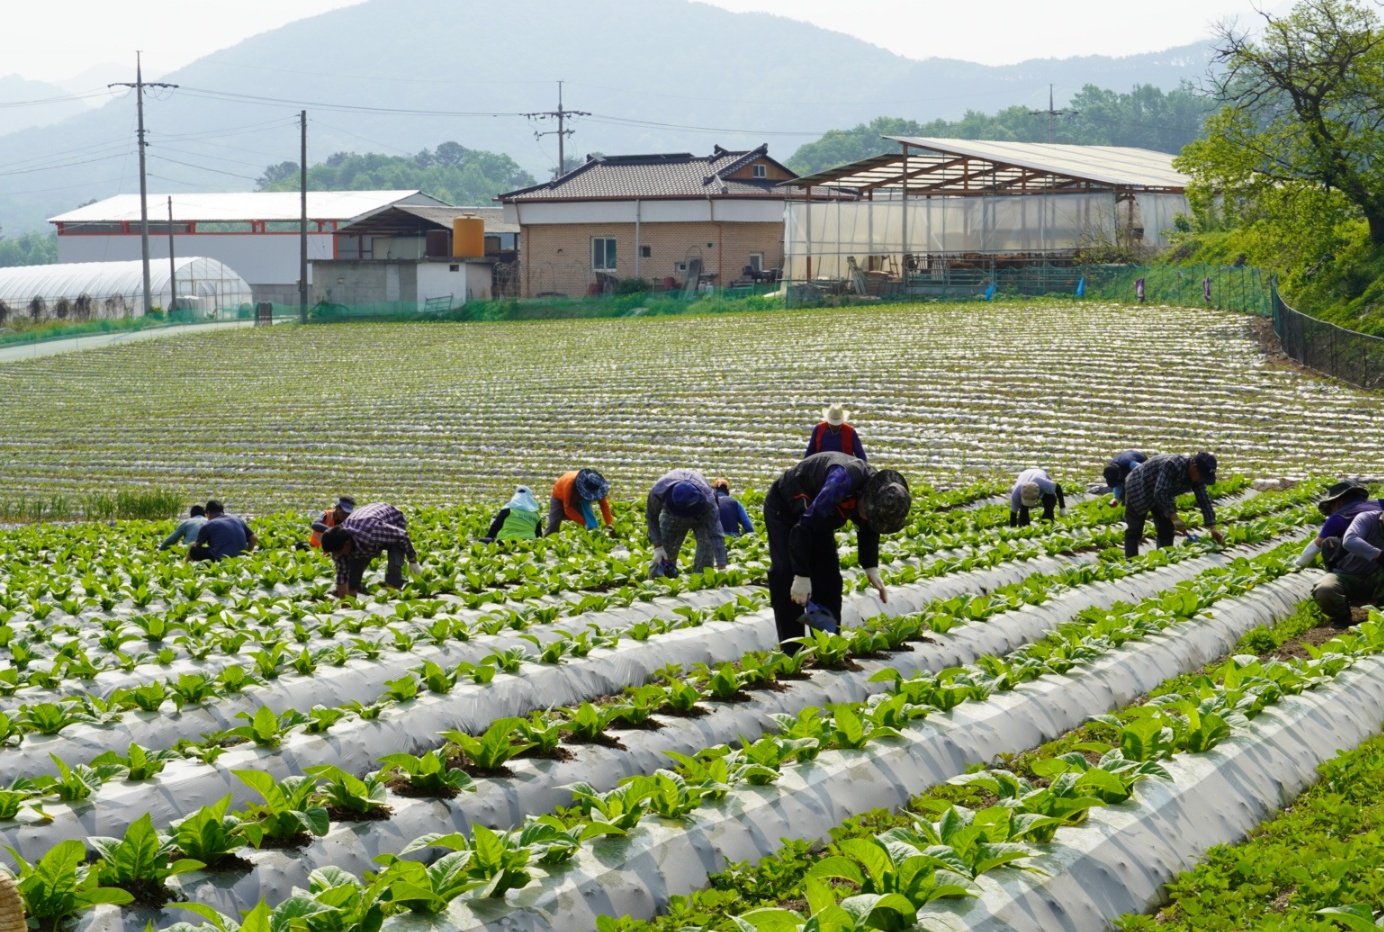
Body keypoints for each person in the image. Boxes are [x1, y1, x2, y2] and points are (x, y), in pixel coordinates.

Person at [764, 452, 912, 650]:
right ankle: (793, 653)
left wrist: (870, 566)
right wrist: (801, 574)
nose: (868, 520)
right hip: (785, 508)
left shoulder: (880, 490)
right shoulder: (840, 482)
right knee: (786, 574)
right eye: (870, 515)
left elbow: (868, 526)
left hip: (819, 515)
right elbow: (803, 528)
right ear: (866, 499)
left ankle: (827, 648)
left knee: (828, 580)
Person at [1298, 481, 1384, 624]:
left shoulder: (1338, 517)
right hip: (1355, 574)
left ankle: (1344, 616)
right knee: (1326, 588)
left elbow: (1315, 546)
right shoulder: (1376, 509)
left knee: (1328, 544)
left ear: (1338, 501)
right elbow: (1350, 540)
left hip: (1372, 574)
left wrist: (1298, 564)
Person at [1121, 452, 1225, 557]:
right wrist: (1175, 518)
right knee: (1135, 530)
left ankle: (1164, 558)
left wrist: (1213, 528)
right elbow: (1160, 492)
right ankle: (1131, 560)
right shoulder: (1172, 465)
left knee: (1166, 529)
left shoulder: (1197, 477)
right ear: (1194, 467)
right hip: (1139, 487)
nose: (1202, 480)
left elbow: (1204, 500)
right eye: (1202, 476)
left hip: (1162, 492)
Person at [319, 502, 421, 599]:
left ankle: (395, 591)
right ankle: (352, 596)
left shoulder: (371, 533)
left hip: (392, 519)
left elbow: (402, 536)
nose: (336, 555)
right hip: (363, 533)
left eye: (338, 552)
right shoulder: (338, 547)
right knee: (354, 567)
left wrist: (413, 560)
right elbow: (342, 578)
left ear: (347, 544)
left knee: (395, 560)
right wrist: (345, 606)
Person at [646, 469, 728, 576]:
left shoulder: (709, 500)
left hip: (701, 516)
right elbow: (651, 516)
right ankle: (659, 586)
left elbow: (716, 534)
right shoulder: (658, 492)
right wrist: (658, 547)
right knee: (664, 556)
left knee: (706, 550)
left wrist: (722, 568)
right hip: (672, 517)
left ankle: (702, 583)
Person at [1324, 509, 1384, 627]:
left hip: (1376, 579)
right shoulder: (1366, 518)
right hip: (1346, 576)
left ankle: (1380, 610)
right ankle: (1342, 617)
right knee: (1325, 590)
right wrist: (1378, 555)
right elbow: (1350, 541)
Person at [547, 468, 616, 537]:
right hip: (559, 495)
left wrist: (609, 523)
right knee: (554, 522)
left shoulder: (597, 487)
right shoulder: (569, 484)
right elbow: (568, 509)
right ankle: (548, 544)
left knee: (589, 520)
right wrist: (584, 522)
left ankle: (590, 540)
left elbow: (604, 505)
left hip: (579, 498)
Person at [188, 500, 256, 562]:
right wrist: (246, 553)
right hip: (241, 558)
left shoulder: (208, 525)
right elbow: (254, 538)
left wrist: (186, 560)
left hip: (221, 558)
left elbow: (196, 546)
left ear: (208, 512)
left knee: (194, 551)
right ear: (222, 512)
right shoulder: (237, 519)